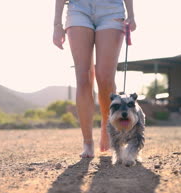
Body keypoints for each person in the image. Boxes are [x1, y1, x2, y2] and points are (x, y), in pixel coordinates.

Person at [53, 0, 136, 158]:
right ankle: (88, 142)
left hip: (112, 10)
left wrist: (131, 14)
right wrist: (57, 24)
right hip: (78, 9)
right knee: (83, 78)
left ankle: (107, 128)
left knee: (105, 77)